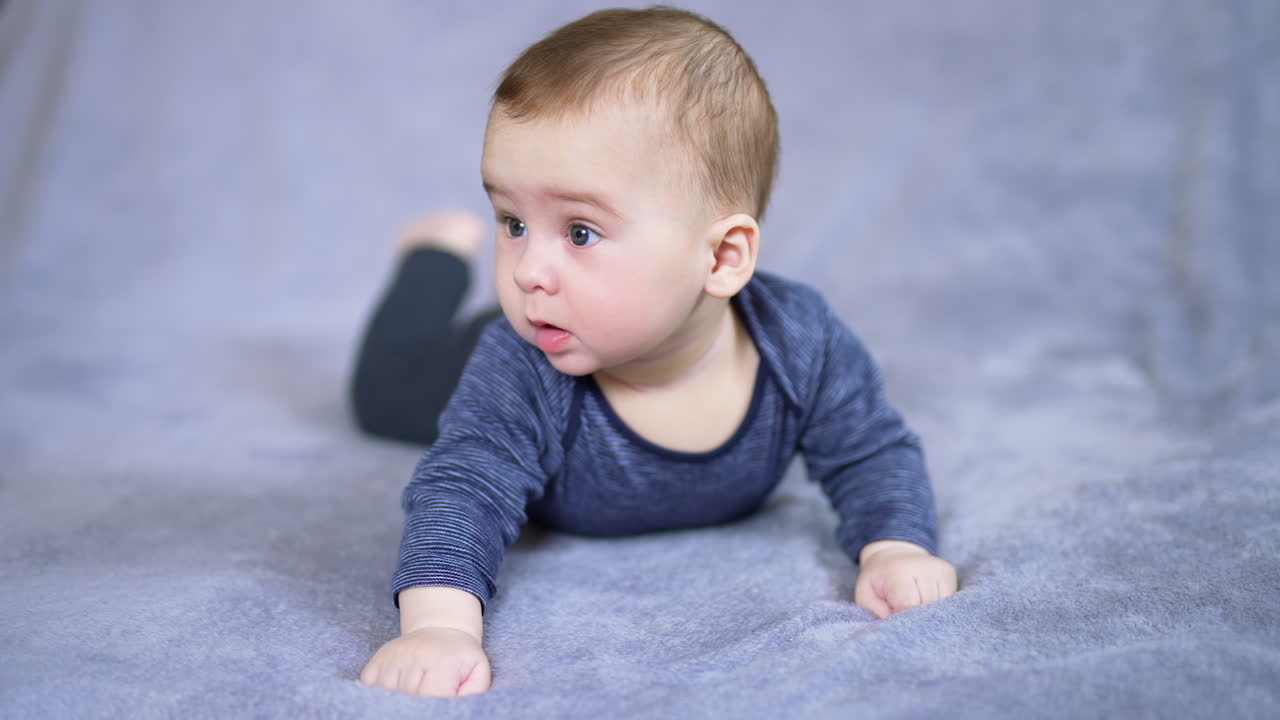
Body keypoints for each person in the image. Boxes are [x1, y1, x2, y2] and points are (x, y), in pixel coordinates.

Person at [354, 6, 958, 699]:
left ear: (723, 257)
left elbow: (870, 449)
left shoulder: (798, 340)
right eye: (513, 223)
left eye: (580, 231)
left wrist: (895, 545)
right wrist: (438, 628)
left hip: (572, 324)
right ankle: (431, 260)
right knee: (382, 396)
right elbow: (463, 487)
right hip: (501, 348)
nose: (527, 270)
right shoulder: (519, 363)